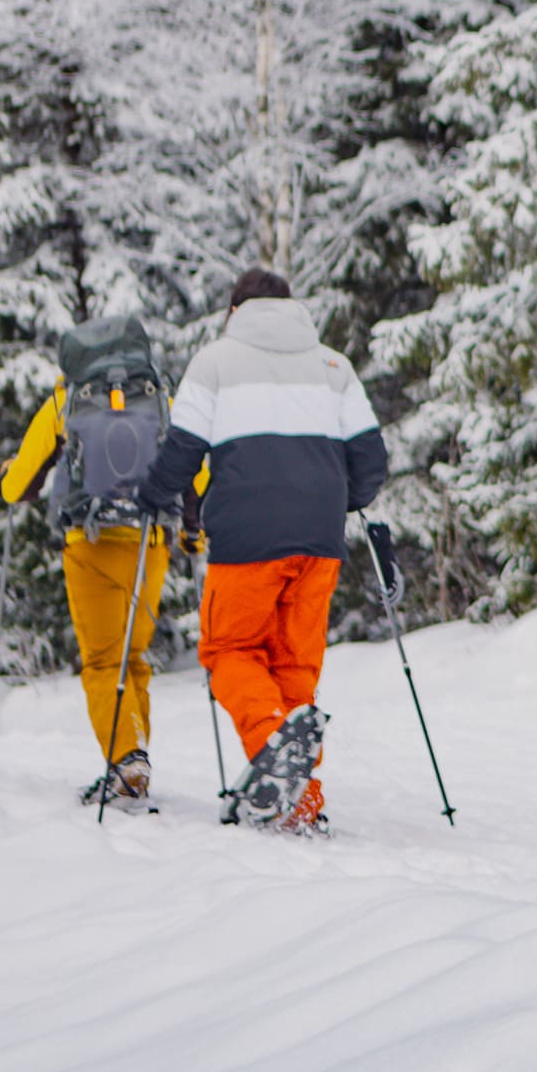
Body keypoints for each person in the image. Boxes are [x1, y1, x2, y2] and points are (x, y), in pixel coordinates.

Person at [136, 268, 388, 832]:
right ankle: (301, 799)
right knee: (294, 664)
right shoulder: (333, 365)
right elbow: (371, 464)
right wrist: (330, 501)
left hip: (247, 537)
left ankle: (270, 745)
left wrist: (151, 496)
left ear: (234, 312)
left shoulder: (215, 361)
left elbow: (183, 451)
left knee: (228, 651)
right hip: (320, 540)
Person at [0, 315, 205, 807]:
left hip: (89, 542)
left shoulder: (64, 402)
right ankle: (133, 758)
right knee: (133, 658)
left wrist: (10, 471)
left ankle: (126, 759)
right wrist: (192, 536)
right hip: (150, 542)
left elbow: (15, 488)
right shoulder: (159, 400)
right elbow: (196, 473)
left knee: (100, 661)